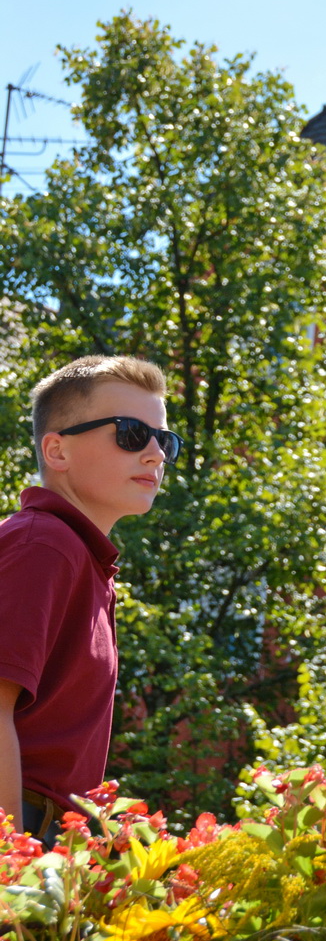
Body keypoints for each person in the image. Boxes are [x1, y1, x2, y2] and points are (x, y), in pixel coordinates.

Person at [0, 356, 177, 846]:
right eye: (129, 433)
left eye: (164, 440)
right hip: (22, 840)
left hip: (55, 837)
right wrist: (13, 868)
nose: (155, 454)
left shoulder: (78, 557)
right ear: (56, 451)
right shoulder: (43, 545)